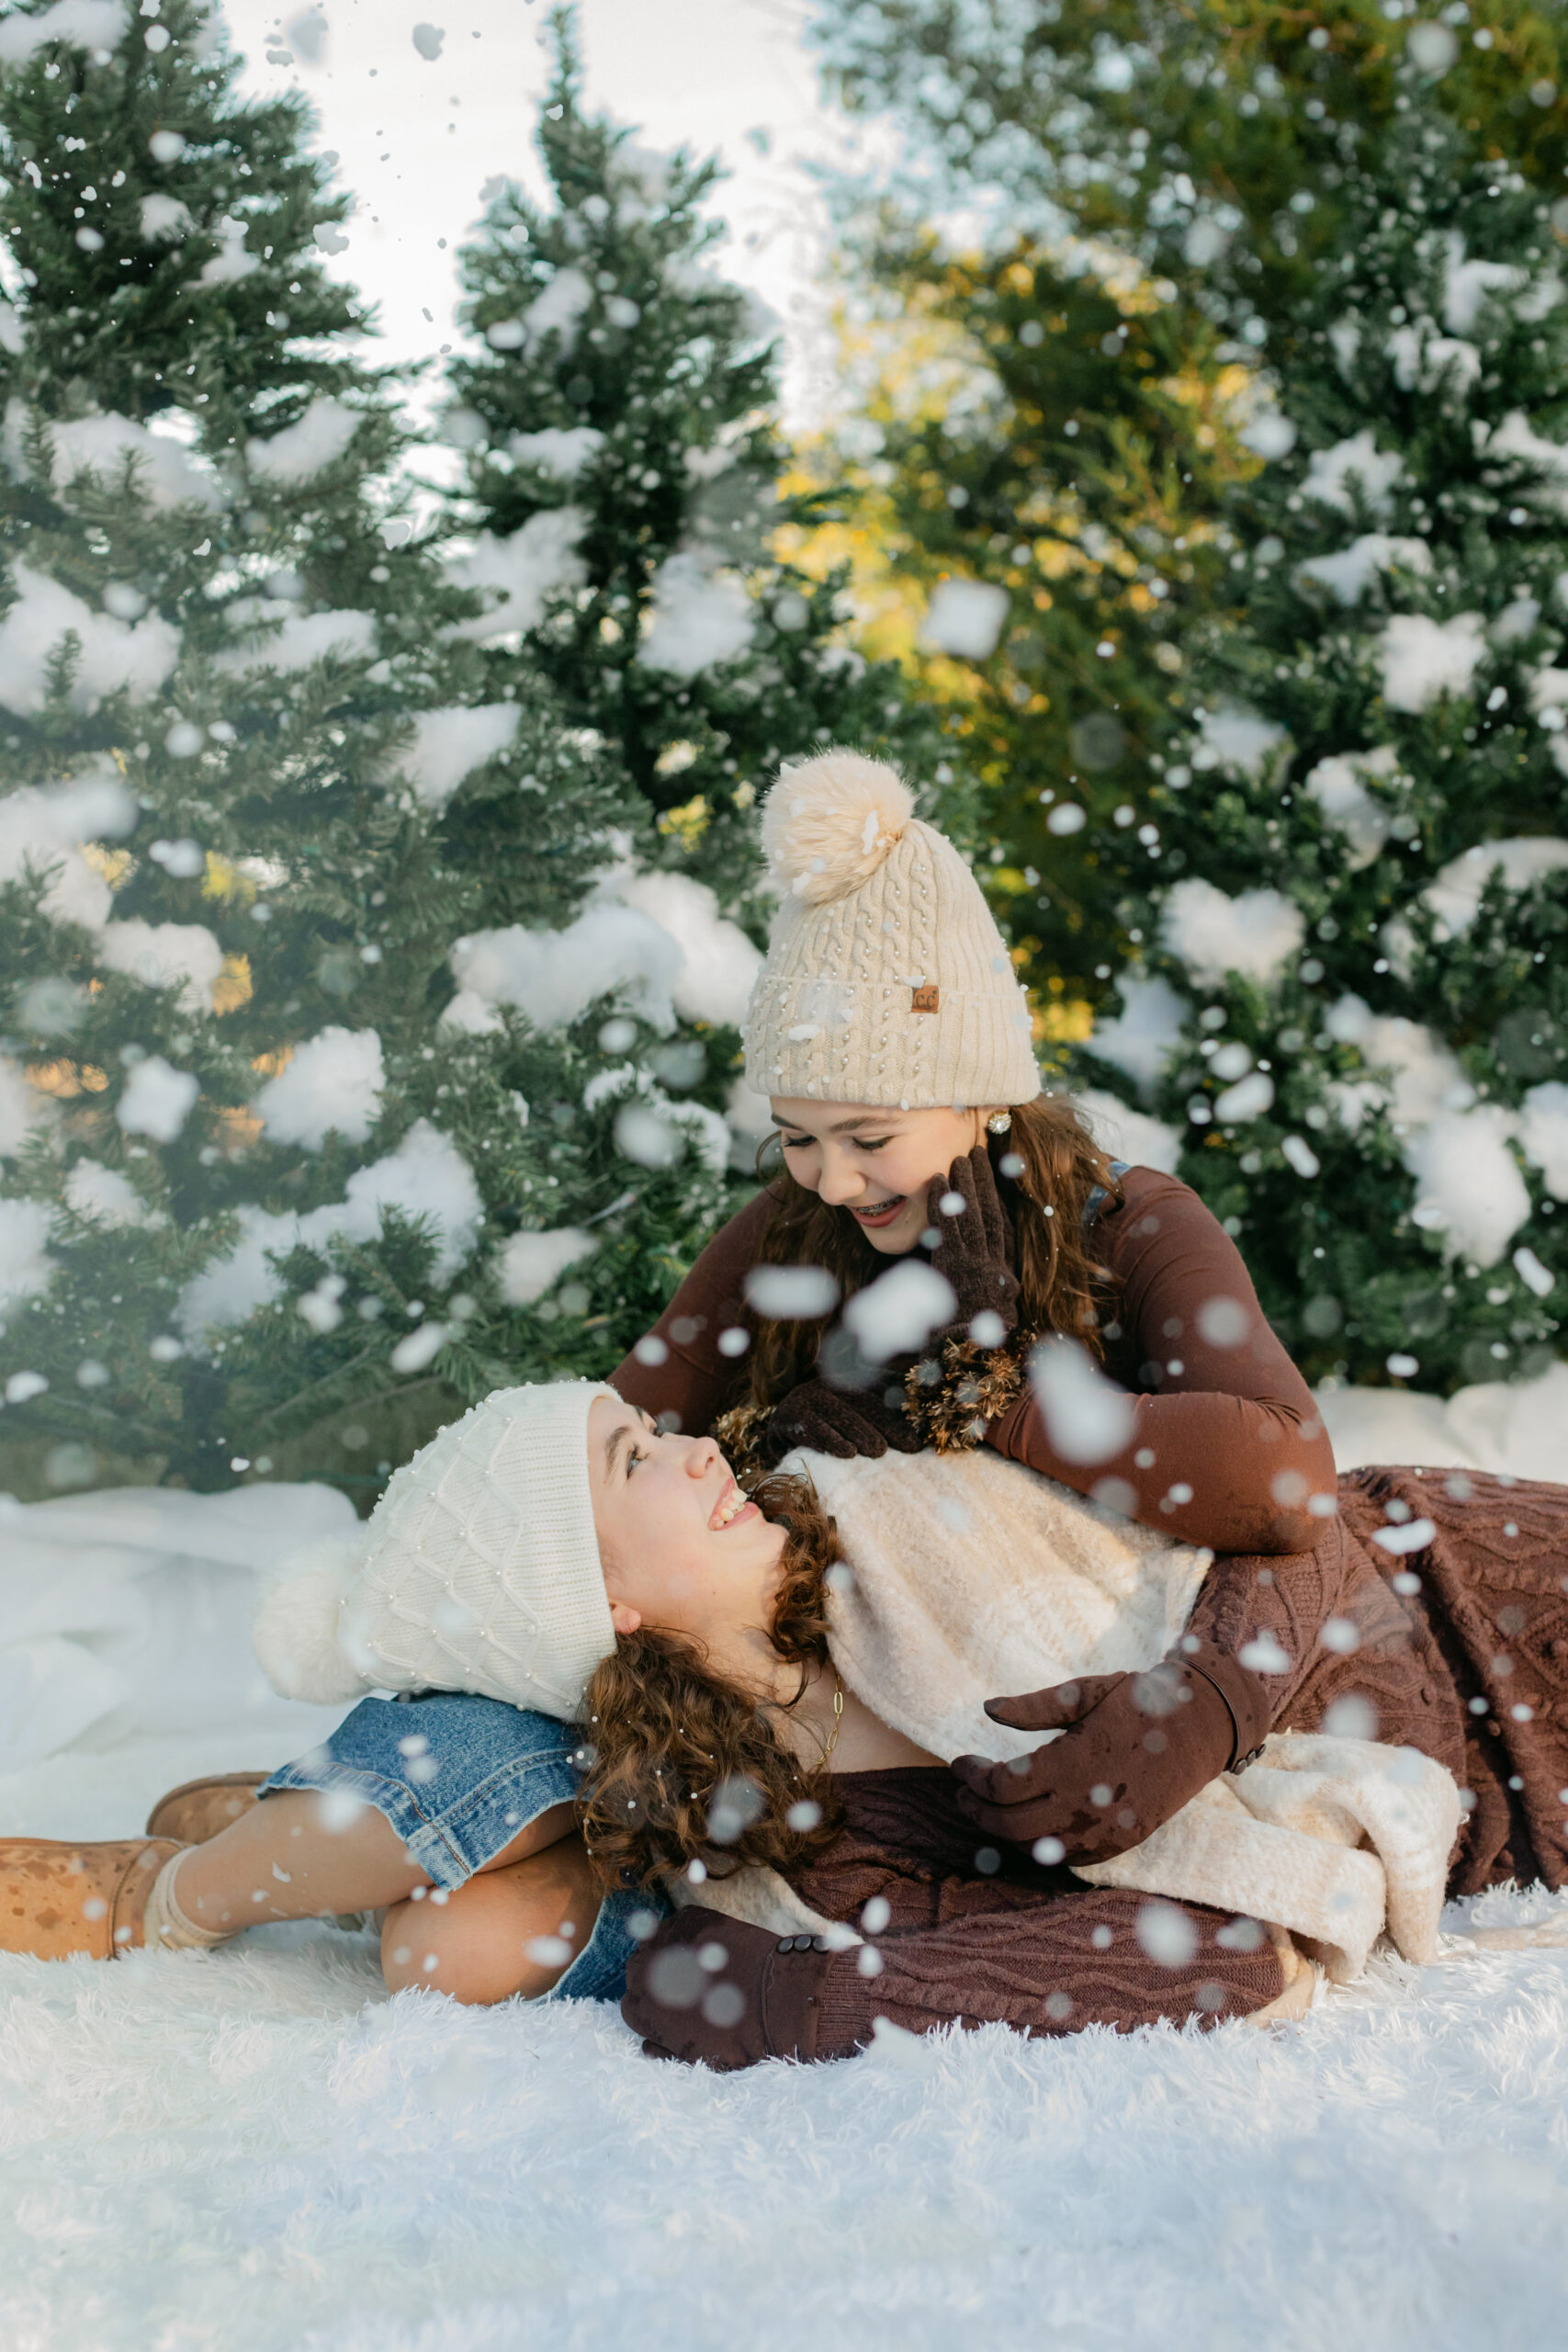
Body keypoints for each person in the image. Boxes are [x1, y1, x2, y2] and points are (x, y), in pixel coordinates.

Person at [3, 1381, 1565, 2076]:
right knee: (448, 1950)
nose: (688, 1448)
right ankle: (304, 1842)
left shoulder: (900, 1522)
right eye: (631, 1465)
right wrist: (797, 1992)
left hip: (1454, 1585)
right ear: (597, 1602)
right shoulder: (788, 1861)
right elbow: (1213, 1956)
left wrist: (790, 2006)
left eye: (648, 1431)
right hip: (1523, 1785)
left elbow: (1278, 1536)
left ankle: (296, 1829)